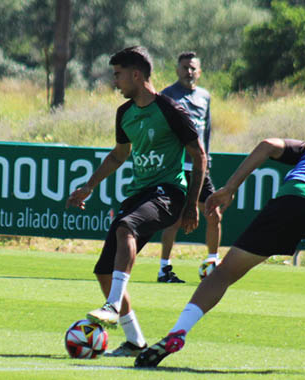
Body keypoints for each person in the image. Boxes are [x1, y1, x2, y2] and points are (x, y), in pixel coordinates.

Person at [135, 133, 305, 375]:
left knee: (224, 272)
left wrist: (230, 188)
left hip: (294, 198)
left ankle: (178, 332)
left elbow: (268, 144)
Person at [66, 46, 206, 357]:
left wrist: (191, 204)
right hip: (140, 193)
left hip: (169, 192)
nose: (115, 81)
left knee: (126, 227)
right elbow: (119, 155)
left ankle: (113, 305)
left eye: (117, 75)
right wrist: (89, 186)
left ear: (136, 74)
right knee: (104, 271)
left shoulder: (170, 110)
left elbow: (199, 156)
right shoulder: (124, 114)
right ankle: (134, 341)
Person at [157, 51, 220, 284]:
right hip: (175, 166)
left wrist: (207, 160)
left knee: (214, 212)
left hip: (199, 167)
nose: (189, 72)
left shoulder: (205, 96)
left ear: (199, 71)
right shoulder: (166, 95)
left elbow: (207, 132)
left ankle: (213, 264)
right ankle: (164, 269)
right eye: (185, 67)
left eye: (193, 68)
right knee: (174, 218)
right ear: (177, 70)